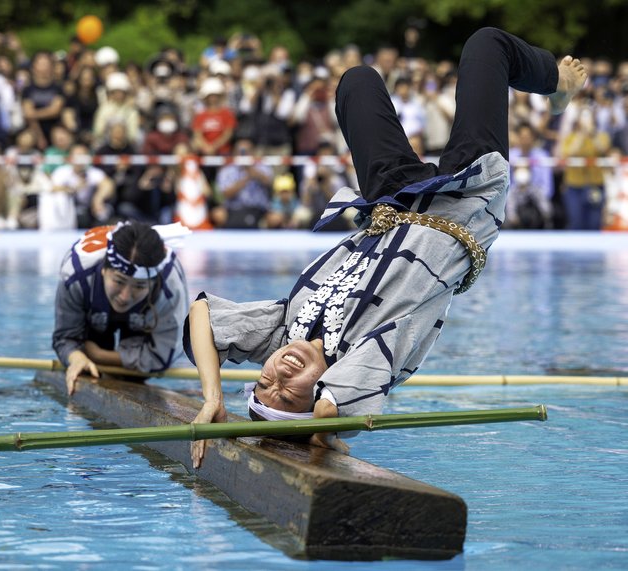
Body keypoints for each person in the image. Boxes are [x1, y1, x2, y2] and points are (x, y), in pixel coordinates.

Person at [184, 28, 587, 467]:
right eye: (288, 395)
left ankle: (551, 88)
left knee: (356, 81)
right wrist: (320, 435)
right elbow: (332, 407)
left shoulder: (281, 330)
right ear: (320, 392)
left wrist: (213, 397)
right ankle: (558, 85)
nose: (279, 376)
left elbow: (203, 315)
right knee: (487, 45)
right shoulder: (371, 354)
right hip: (465, 202)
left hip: (390, 198)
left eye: (264, 386)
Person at [53, 221, 190, 396]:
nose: (125, 296)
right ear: (103, 269)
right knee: (88, 365)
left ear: (155, 282)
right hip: (93, 299)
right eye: (118, 281)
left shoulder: (170, 286)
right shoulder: (75, 276)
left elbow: (164, 356)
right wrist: (76, 357)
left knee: (136, 375)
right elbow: (65, 337)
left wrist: (99, 356)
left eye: (139, 286)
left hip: (143, 311)